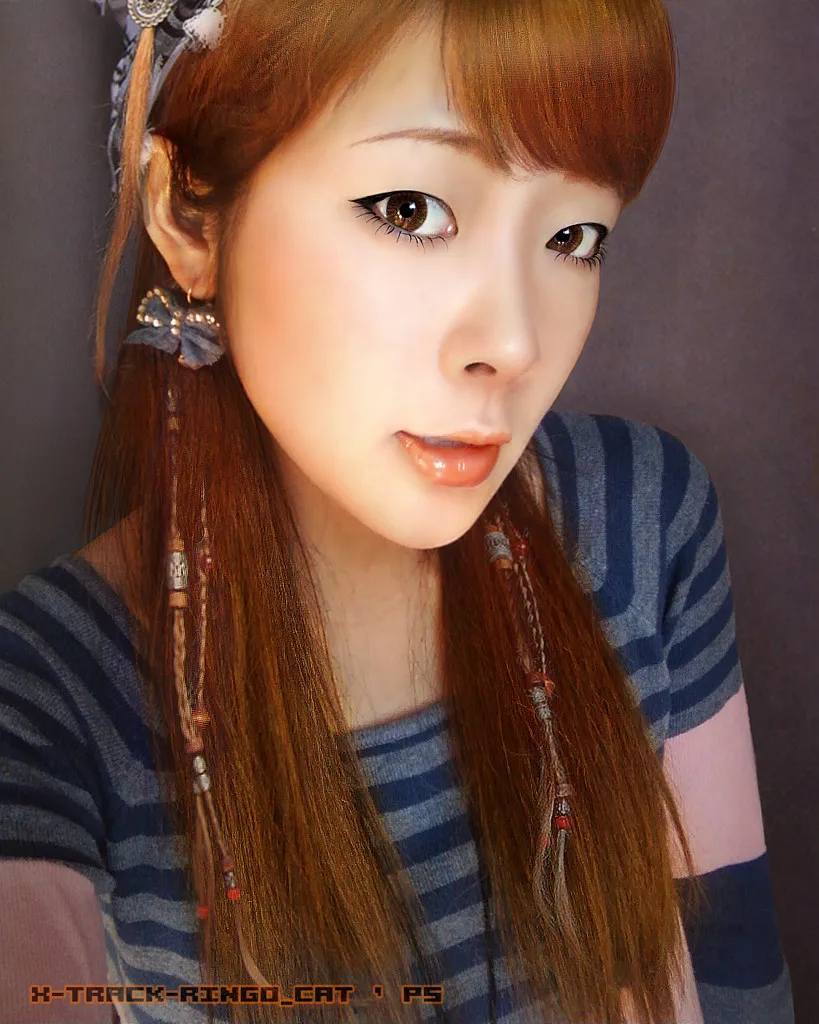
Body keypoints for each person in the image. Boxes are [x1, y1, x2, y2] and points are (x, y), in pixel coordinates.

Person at [0, 0, 795, 1022]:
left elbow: (739, 982)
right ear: (187, 213)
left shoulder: (644, 523)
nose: (512, 344)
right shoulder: (46, 705)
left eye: (574, 235)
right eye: (412, 210)